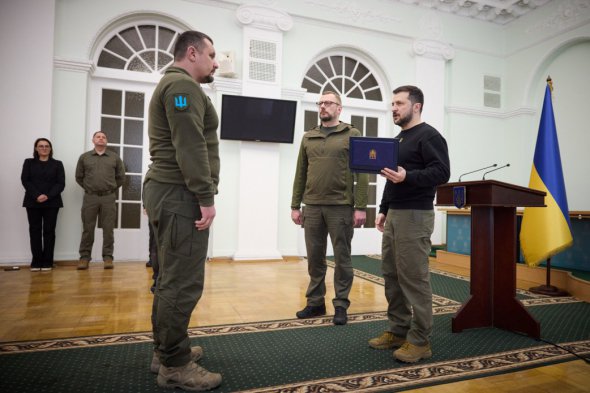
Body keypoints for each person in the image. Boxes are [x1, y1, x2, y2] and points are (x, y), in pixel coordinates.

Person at [143, 30, 222, 391]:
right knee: (182, 282)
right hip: (180, 195)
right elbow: (190, 147)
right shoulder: (183, 88)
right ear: (192, 53)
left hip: (169, 192)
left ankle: (166, 350)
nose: (215, 62)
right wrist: (205, 197)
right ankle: (174, 364)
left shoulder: (174, 85)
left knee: (168, 278)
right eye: (211, 55)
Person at [368, 85, 450, 363]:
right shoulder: (399, 140)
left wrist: (408, 177)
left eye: (399, 103)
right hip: (395, 215)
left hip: (415, 215)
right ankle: (399, 330)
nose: (393, 108)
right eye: (392, 103)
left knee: (413, 279)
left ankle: (420, 341)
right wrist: (383, 209)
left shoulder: (429, 136)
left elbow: (442, 172)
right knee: (391, 274)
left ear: (416, 106)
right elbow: (394, 177)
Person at [291, 91, 369, 326]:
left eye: (328, 103)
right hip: (312, 207)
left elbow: (362, 172)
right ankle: (315, 302)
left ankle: (341, 304)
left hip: (341, 207)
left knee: (342, 258)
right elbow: (300, 173)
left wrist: (361, 206)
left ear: (339, 108)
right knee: (315, 259)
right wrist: (295, 205)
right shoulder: (309, 137)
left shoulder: (352, 134)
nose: (323, 106)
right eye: (321, 103)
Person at [75, 131, 125, 270]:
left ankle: (108, 258)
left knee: (108, 229)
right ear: (93, 140)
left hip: (108, 197)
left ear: (106, 141)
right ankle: (84, 258)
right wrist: (90, 188)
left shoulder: (114, 158)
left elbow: (121, 177)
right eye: (98, 137)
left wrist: (111, 188)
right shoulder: (84, 157)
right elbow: (79, 177)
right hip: (90, 197)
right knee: (88, 229)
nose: (101, 139)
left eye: (104, 137)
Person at [21, 138, 65, 271]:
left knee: (49, 232)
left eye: (47, 146)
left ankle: (47, 262)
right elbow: (25, 180)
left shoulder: (57, 164)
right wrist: (37, 195)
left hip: (52, 202)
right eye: (41, 146)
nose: (44, 148)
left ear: (50, 149)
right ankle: (36, 261)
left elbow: (61, 183)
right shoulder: (28, 162)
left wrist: (48, 196)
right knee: (34, 231)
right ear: (36, 148)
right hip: (32, 201)